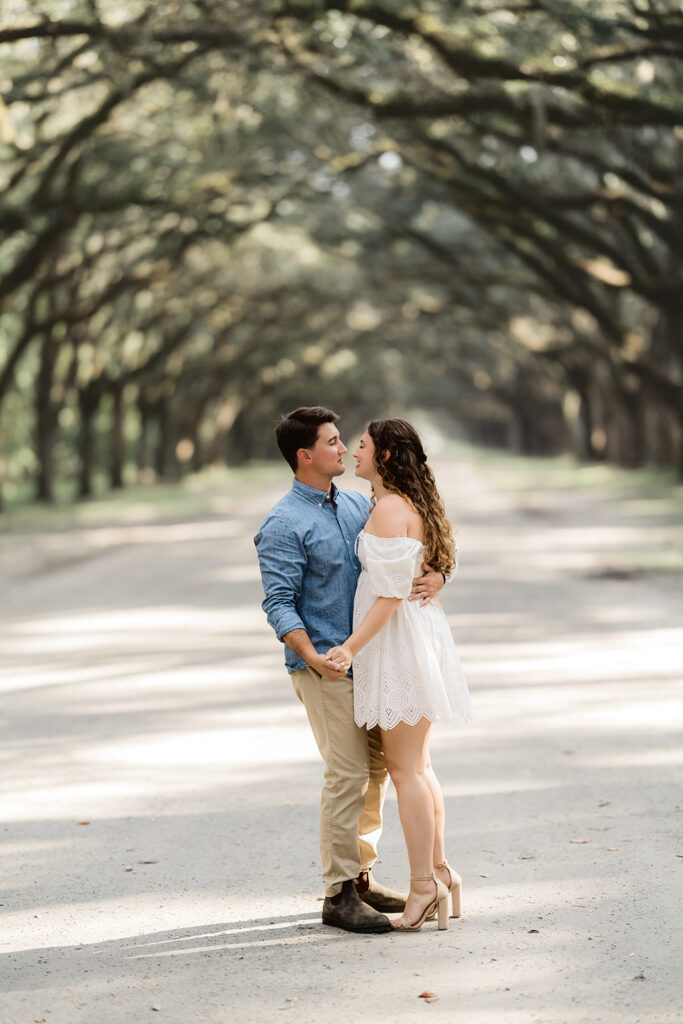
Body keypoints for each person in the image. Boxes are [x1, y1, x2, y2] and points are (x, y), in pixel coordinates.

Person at [254, 407, 446, 934]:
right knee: (347, 772)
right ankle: (338, 893)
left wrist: (437, 579)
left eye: (346, 441)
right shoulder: (283, 523)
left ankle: (360, 875)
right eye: (334, 442)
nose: (344, 449)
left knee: (380, 770)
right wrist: (313, 654)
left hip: (370, 659)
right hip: (324, 666)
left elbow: (406, 555)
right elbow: (277, 602)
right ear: (305, 455)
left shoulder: (358, 506)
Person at [325, 418, 471, 932]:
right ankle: (439, 872)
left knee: (406, 770)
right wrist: (440, 577)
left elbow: (388, 594)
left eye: (362, 445)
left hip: (399, 644)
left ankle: (423, 886)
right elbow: (419, 570)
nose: (354, 452)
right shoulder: (409, 503)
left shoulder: (388, 508)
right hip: (416, 637)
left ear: (384, 456)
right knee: (420, 767)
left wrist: (348, 647)